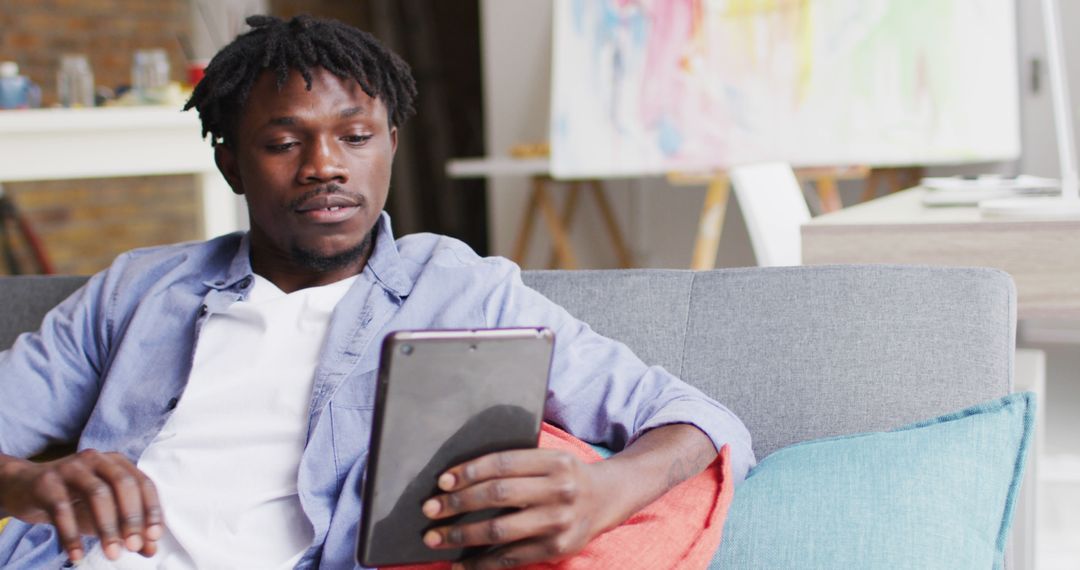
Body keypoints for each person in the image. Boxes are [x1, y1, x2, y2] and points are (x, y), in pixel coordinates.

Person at [0, 15, 754, 569]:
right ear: (232, 165)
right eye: (283, 142)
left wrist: (604, 494)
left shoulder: (464, 292)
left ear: (390, 144)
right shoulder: (135, 290)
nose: (324, 165)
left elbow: (699, 419)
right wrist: (31, 485)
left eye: (355, 137)